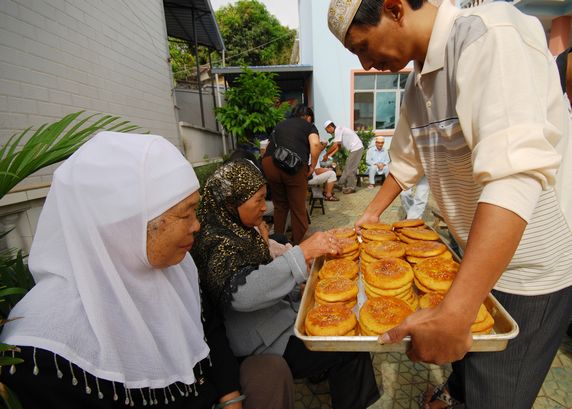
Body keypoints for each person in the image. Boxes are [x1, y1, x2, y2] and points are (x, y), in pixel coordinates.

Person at [328, 0, 572, 408]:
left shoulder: (489, 35)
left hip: (531, 272)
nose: (367, 65)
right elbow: (407, 161)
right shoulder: (418, 82)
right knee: (468, 367)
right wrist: (371, 214)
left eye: (364, 48)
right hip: (476, 256)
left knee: (496, 393)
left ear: (394, 9)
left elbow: (514, 175)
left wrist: (458, 309)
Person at [0, 132, 295, 409]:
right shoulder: (43, 353)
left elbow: (211, 333)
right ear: (127, 225)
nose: (197, 225)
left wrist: (231, 399)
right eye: (185, 213)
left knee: (269, 371)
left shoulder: (178, 269)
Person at [191, 159, 381, 409]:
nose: (264, 207)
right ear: (231, 202)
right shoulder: (215, 242)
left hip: (274, 321)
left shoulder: (237, 229)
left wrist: (296, 288)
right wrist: (301, 254)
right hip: (260, 343)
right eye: (257, 200)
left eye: (264, 197)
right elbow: (240, 293)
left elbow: (263, 272)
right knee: (349, 348)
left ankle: (321, 371)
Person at [262, 104, 322, 244]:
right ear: (308, 117)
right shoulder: (309, 126)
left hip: (270, 163)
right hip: (293, 165)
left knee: (280, 205)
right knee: (298, 207)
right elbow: (315, 145)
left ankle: (277, 242)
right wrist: (312, 166)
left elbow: (266, 148)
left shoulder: (280, 124)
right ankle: (299, 246)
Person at [322, 120, 364, 194]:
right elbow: (338, 147)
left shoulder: (338, 130)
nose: (327, 132)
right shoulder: (338, 131)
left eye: (327, 130)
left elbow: (334, 145)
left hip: (356, 148)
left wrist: (326, 155)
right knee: (347, 167)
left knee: (351, 169)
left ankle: (351, 187)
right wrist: (330, 155)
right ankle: (340, 184)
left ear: (330, 127)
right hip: (354, 149)